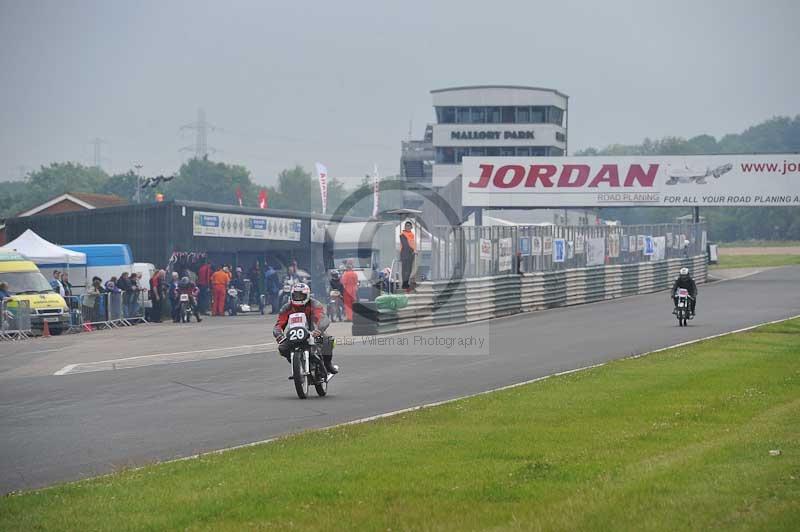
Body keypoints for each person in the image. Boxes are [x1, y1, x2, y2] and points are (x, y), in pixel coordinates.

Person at [273, 282, 338, 375]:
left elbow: (323, 318)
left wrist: (319, 329)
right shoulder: (286, 307)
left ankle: (328, 364)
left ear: (307, 295)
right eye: (296, 295)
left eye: (301, 295)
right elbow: (279, 324)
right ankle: (296, 365)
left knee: (328, 340)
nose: (298, 298)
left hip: (312, 332)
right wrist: (279, 335)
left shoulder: (314, 304)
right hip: (293, 334)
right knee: (282, 349)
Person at [399, 220, 416, 291]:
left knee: (409, 270)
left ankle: (406, 282)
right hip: (405, 254)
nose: (407, 227)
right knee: (405, 269)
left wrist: (414, 251)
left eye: (409, 226)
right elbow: (405, 245)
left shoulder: (412, 234)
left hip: (411, 254)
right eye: (406, 226)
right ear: (404, 227)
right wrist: (413, 250)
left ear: (411, 227)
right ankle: (404, 283)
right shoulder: (402, 234)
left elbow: (413, 244)